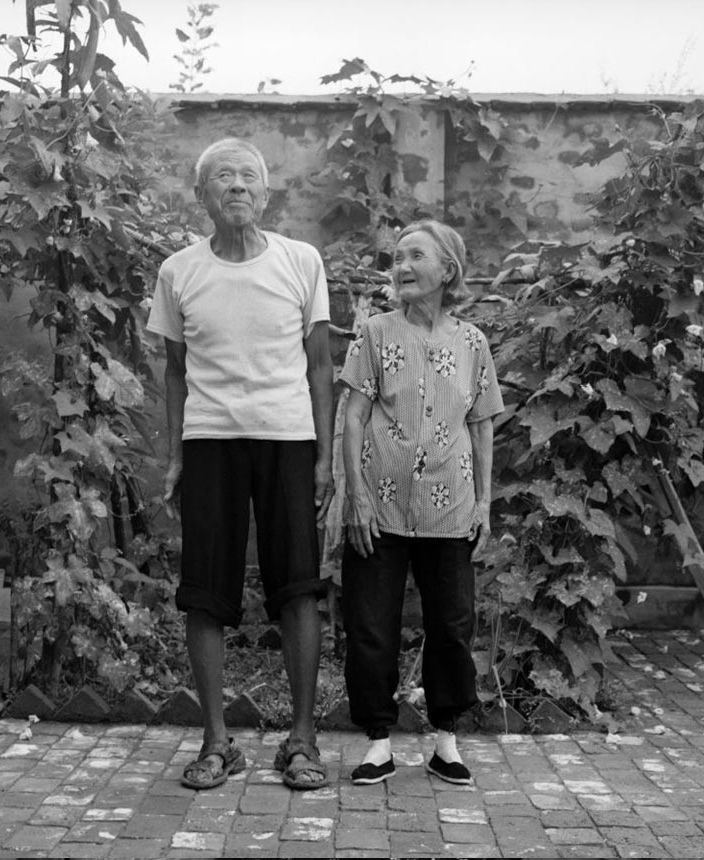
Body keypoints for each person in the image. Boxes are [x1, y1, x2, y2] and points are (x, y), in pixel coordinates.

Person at [146, 138, 334, 791]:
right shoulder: (179, 272)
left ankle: (303, 741)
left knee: (299, 586)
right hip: (209, 439)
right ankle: (216, 743)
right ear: (201, 196)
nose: (236, 185)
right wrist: (172, 456)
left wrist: (324, 459)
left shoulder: (301, 262)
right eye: (221, 177)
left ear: (267, 192)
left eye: (248, 176)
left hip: (287, 437)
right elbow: (172, 373)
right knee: (205, 590)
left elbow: (319, 364)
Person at [339, 220, 504, 786]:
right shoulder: (375, 333)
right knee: (370, 626)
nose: (401, 266)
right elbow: (354, 415)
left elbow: (482, 426)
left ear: (447, 271)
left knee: (453, 625)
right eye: (396, 257)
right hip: (379, 510)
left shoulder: (473, 342)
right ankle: (378, 742)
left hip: (451, 506)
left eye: (415, 256)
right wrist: (354, 495)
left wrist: (485, 503)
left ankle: (446, 742)